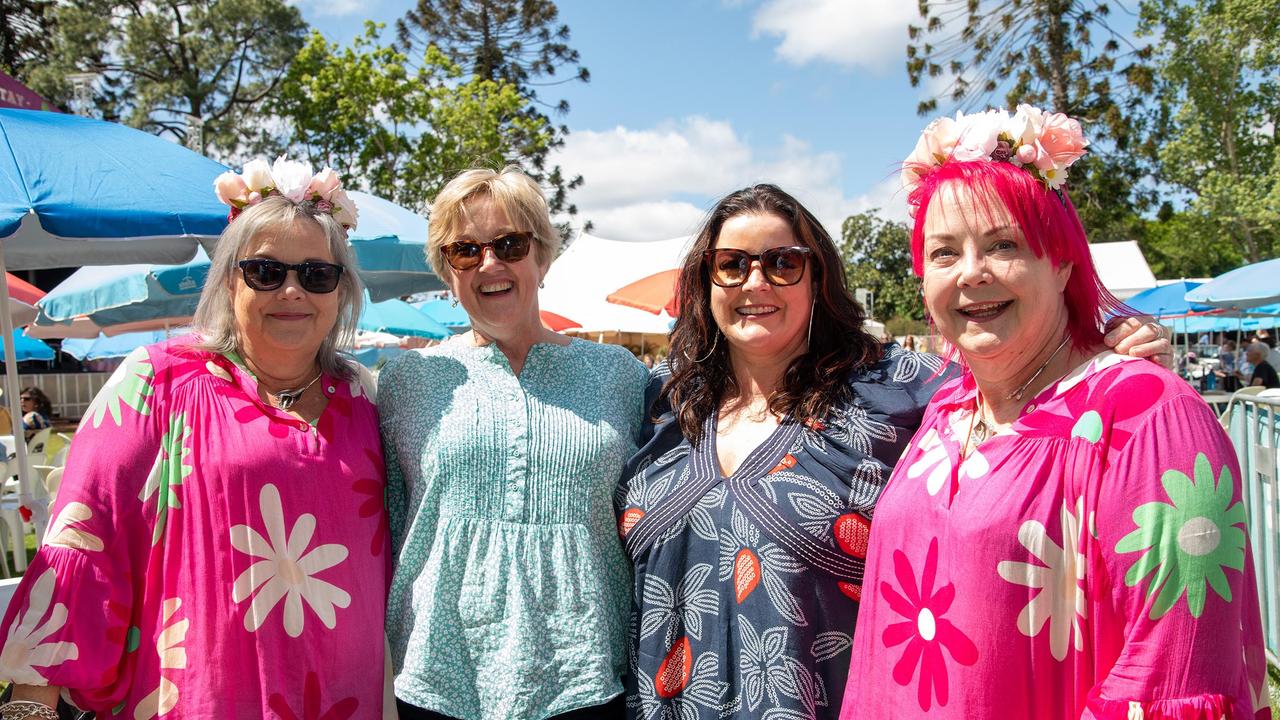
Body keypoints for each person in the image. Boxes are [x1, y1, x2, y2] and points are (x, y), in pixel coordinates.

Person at [616, 184, 1171, 720]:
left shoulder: (899, 388)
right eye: (731, 264)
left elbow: (1019, 380)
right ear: (705, 280)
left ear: (818, 279)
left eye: (783, 263)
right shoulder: (662, 401)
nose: (754, 282)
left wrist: (1103, 361)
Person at [841, 106, 1268, 719]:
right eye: (943, 253)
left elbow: (1175, 668)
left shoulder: (1149, 417)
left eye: (1003, 245)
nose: (971, 274)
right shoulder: (945, 408)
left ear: (1063, 261)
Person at [0, 158, 391, 718]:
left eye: (316, 274)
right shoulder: (157, 379)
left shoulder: (368, 399)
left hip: (346, 696)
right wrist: (31, 705)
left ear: (339, 290)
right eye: (265, 271)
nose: (291, 290)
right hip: (200, 694)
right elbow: (85, 537)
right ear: (229, 280)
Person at [380, 167, 648, 720]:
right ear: (446, 272)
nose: (490, 264)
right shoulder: (407, 382)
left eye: (509, 244)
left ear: (542, 257)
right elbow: (385, 520)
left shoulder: (621, 376)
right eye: (465, 251)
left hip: (584, 674)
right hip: (438, 674)